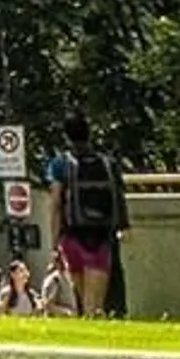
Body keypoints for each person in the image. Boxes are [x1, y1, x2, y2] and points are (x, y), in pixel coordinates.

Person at [44, 112, 130, 318]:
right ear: (90, 134)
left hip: (72, 237)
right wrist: (124, 225)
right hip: (101, 237)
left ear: (66, 136)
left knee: (82, 300)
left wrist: (54, 243)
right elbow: (119, 196)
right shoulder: (108, 163)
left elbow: (55, 204)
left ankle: (88, 329)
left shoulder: (60, 164)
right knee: (96, 304)